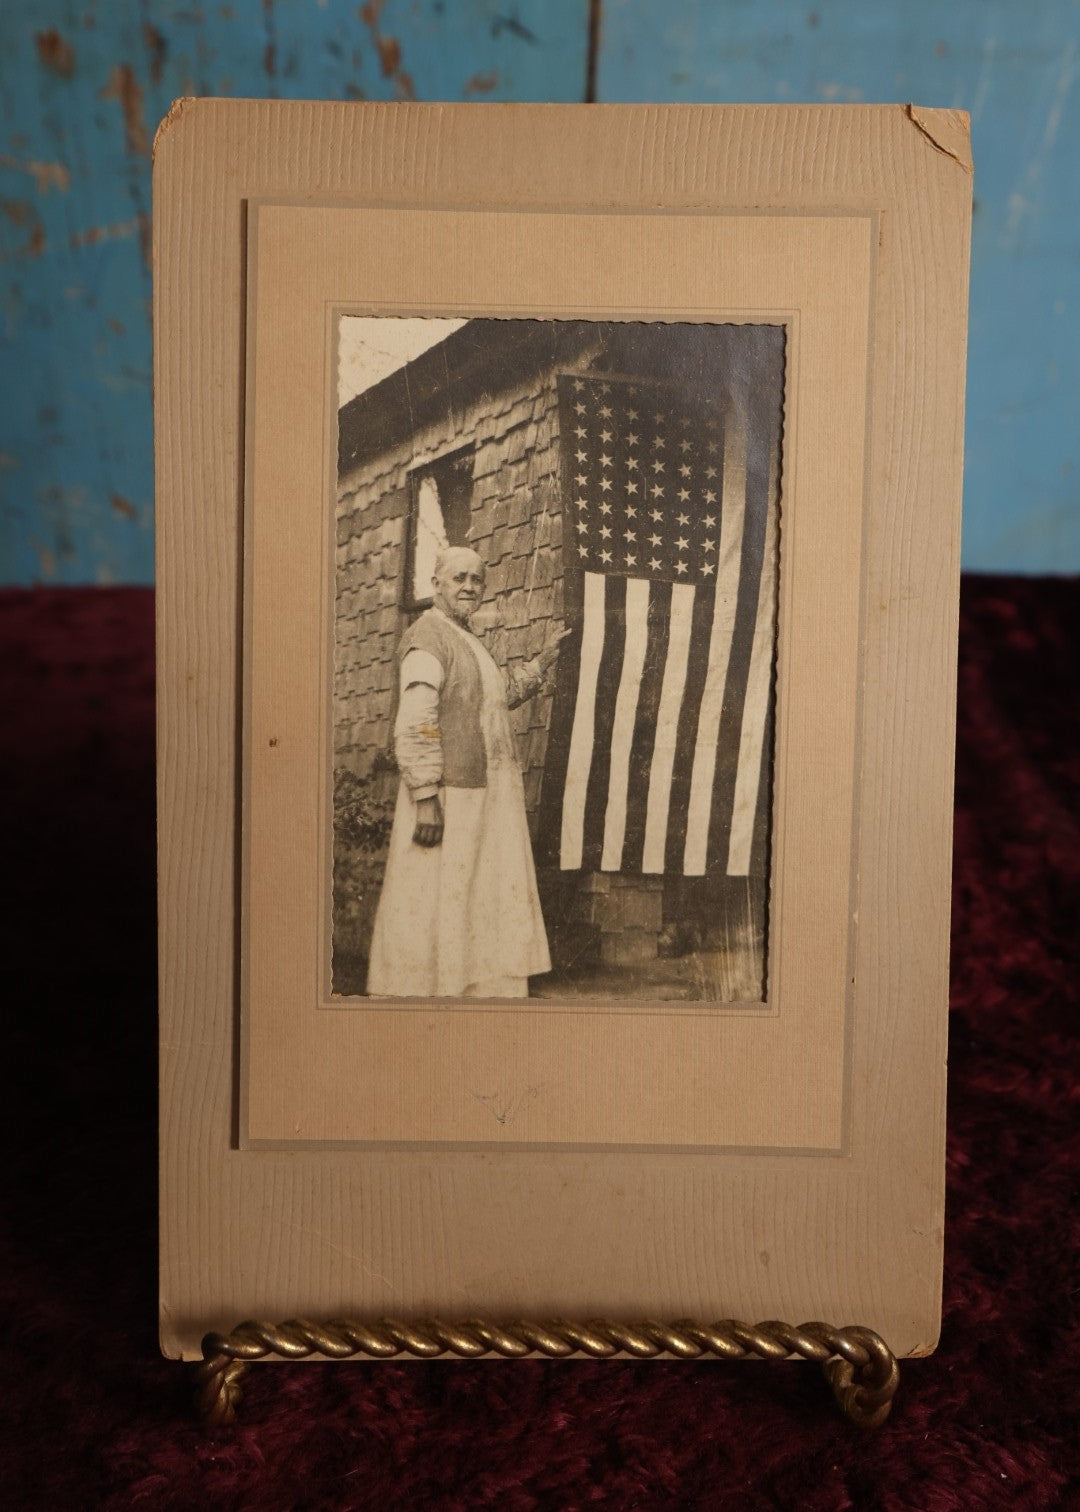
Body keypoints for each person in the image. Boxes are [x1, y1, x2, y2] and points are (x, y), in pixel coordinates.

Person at [367, 546, 569, 998]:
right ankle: (428, 995)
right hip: (450, 795)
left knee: (480, 894)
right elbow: (416, 719)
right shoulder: (429, 639)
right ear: (435, 583)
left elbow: (498, 698)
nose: (469, 587)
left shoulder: (467, 638)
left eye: (476, 579)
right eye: (458, 578)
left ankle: (477, 994)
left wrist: (542, 662)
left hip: (488, 793)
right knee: (439, 895)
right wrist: (425, 798)